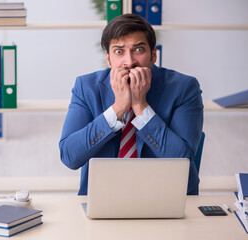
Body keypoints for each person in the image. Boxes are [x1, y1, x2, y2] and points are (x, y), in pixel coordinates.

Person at [59, 14, 203, 195]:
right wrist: (118, 107)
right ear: (108, 59)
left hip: (165, 197)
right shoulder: (86, 87)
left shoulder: (184, 88)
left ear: (153, 54)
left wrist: (141, 106)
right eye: (119, 51)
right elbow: (69, 156)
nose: (129, 61)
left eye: (138, 50)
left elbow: (184, 164)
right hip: (104, 198)